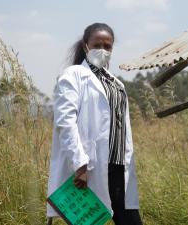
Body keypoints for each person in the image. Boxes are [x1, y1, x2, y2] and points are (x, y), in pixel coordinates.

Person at [46, 23, 143, 225]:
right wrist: (80, 164)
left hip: (117, 167)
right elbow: (65, 122)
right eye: (97, 44)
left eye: (107, 46)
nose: (103, 50)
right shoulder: (73, 76)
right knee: (88, 222)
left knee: (130, 221)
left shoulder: (117, 84)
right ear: (85, 45)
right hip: (91, 166)